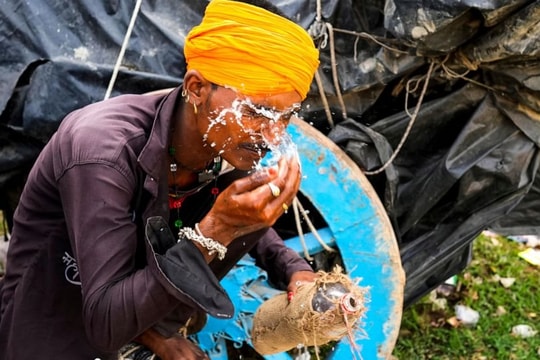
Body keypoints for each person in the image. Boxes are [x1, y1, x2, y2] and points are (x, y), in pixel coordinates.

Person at [0, 0, 320, 359]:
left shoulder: (221, 142)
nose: (273, 133)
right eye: (255, 111)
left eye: (287, 116)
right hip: (56, 324)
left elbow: (238, 209)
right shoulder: (102, 152)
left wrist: (293, 268)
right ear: (197, 88)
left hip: (143, 311)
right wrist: (216, 231)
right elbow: (105, 325)